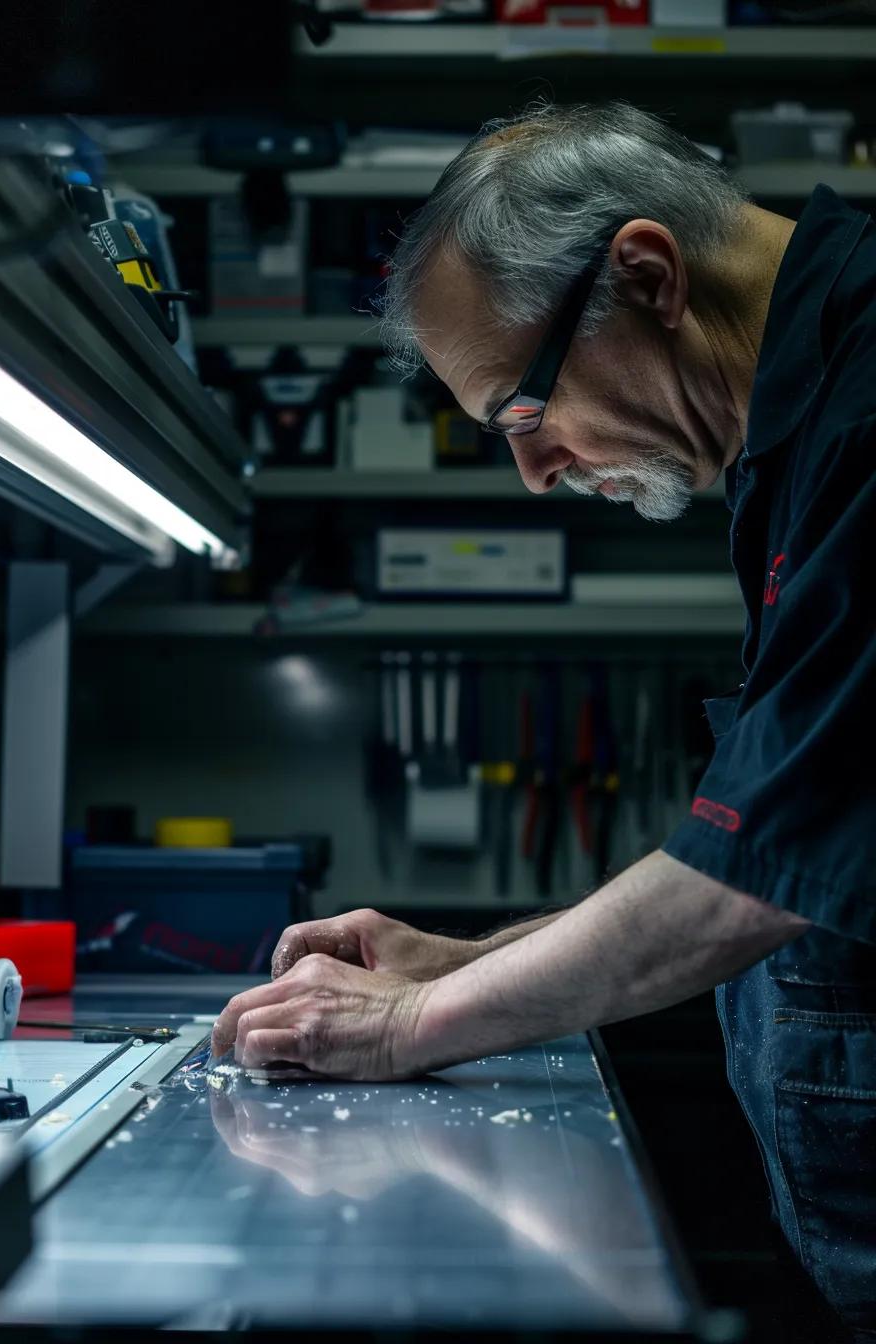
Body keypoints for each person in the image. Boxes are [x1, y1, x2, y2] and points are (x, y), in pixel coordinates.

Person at [213, 102, 876, 1338]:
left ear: (643, 274)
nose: (535, 473)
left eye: (525, 414)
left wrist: (417, 1020)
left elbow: (755, 884)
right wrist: (472, 960)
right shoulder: (804, 428)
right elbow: (776, 829)